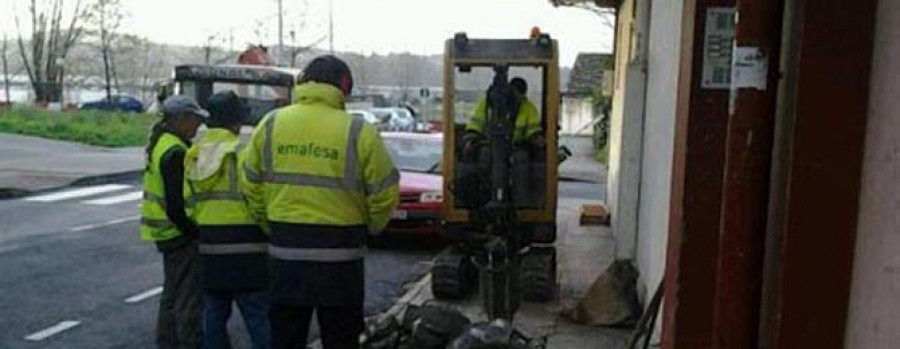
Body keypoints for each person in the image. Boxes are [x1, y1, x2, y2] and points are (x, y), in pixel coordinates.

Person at [241, 55, 400, 349]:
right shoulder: (358, 131)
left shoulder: (271, 124)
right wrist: (370, 227)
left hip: (287, 255)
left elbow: (250, 183)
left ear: (303, 81)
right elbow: (385, 190)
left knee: (286, 338)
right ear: (344, 85)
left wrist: (269, 223)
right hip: (341, 260)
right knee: (341, 338)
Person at [184, 91, 270, 348]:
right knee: (258, 317)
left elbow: (187, 204)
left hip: (209, 247)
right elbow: (258, 197)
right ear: (236, 122)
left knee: (214, 317)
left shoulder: (194, 155)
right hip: (248, 249)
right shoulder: (243, 153)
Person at [140, 95, 206, 349]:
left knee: (172, 295)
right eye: (195, 120)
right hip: (178, 235)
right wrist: (194, 232)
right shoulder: (175, 151)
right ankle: (189, 344)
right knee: (188, 299)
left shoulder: (162, 142)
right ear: (181, 119)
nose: (198, 126)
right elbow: (176, 204)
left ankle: (167, 342)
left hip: (165, 234)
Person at [463, 76, 543, 157]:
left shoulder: (528, 108)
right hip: (489, 143)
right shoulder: (486, 104)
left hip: (515, 145)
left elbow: (533, 129)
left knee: (521, 157)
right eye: (515, 95)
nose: (518, 99)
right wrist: (470, 139)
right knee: (484, 155)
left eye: (521, 96)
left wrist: (537, 139)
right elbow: (476, 124)